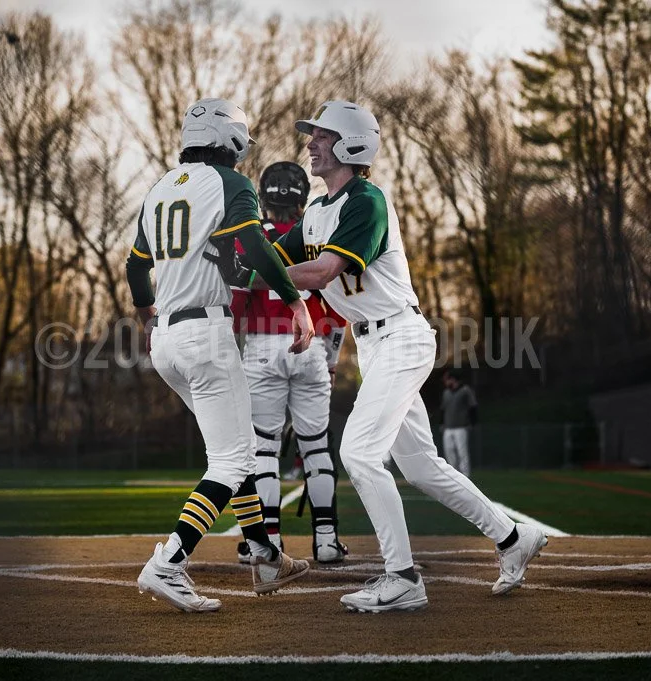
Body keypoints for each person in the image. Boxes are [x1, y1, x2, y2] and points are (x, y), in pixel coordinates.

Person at [249, 101, 547, 611]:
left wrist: (256, 274)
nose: (310, 144)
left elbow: (319, 273)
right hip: (374, 344)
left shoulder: (366, 200)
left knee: (360, 454)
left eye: (321, 136)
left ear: (351, 144)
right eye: (312, 136)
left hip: (402, 338)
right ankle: (512, 537)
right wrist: (233, 260)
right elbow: (273, 258)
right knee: (423, 467)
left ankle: (403, 576)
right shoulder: (318, 210)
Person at [126, 98, 313, 613]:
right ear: (229, 140)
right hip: (205, 333)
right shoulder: (230, 184)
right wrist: (296, 303)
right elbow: (252, 246)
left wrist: (148, 319)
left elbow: (136, 266)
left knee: (235, 449)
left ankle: (265, 556)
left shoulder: (158, 187)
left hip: (167, 338)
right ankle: (169, 562)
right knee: (232, 457)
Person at [230, 161, 348, 565]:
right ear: (302, 197)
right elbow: (338, 306)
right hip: (312, 343)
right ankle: (328, 540)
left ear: (263, 196)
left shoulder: (251, 238)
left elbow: (237, 298)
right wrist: (330, 359)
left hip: (262, 346)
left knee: (264, 449)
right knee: (316, 448)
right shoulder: (316, 233)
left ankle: (271, 542)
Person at [441, 369, 478, 476]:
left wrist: (472, 422)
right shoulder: (446, 393)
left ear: (453, 379)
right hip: (448, 428)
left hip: (461, 427)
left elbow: (473, 407)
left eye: (447, 379)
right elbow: (443, 409)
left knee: (462, 452)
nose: (445, 382)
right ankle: (454, 475)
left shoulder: (465, 391)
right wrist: (442, 423)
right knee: (449, 452)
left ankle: (465, 475)